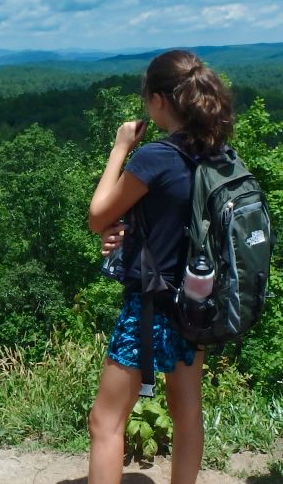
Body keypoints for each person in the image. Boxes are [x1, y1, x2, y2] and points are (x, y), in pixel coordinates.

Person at [87, 50, 233, 484]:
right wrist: (129, 229)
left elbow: (97, 214)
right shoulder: (216, 152)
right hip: (196, 300)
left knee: (106, 422)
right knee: (187, 412)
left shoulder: (155, 156)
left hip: (150, 305)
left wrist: (120, 147)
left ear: (157, 100)